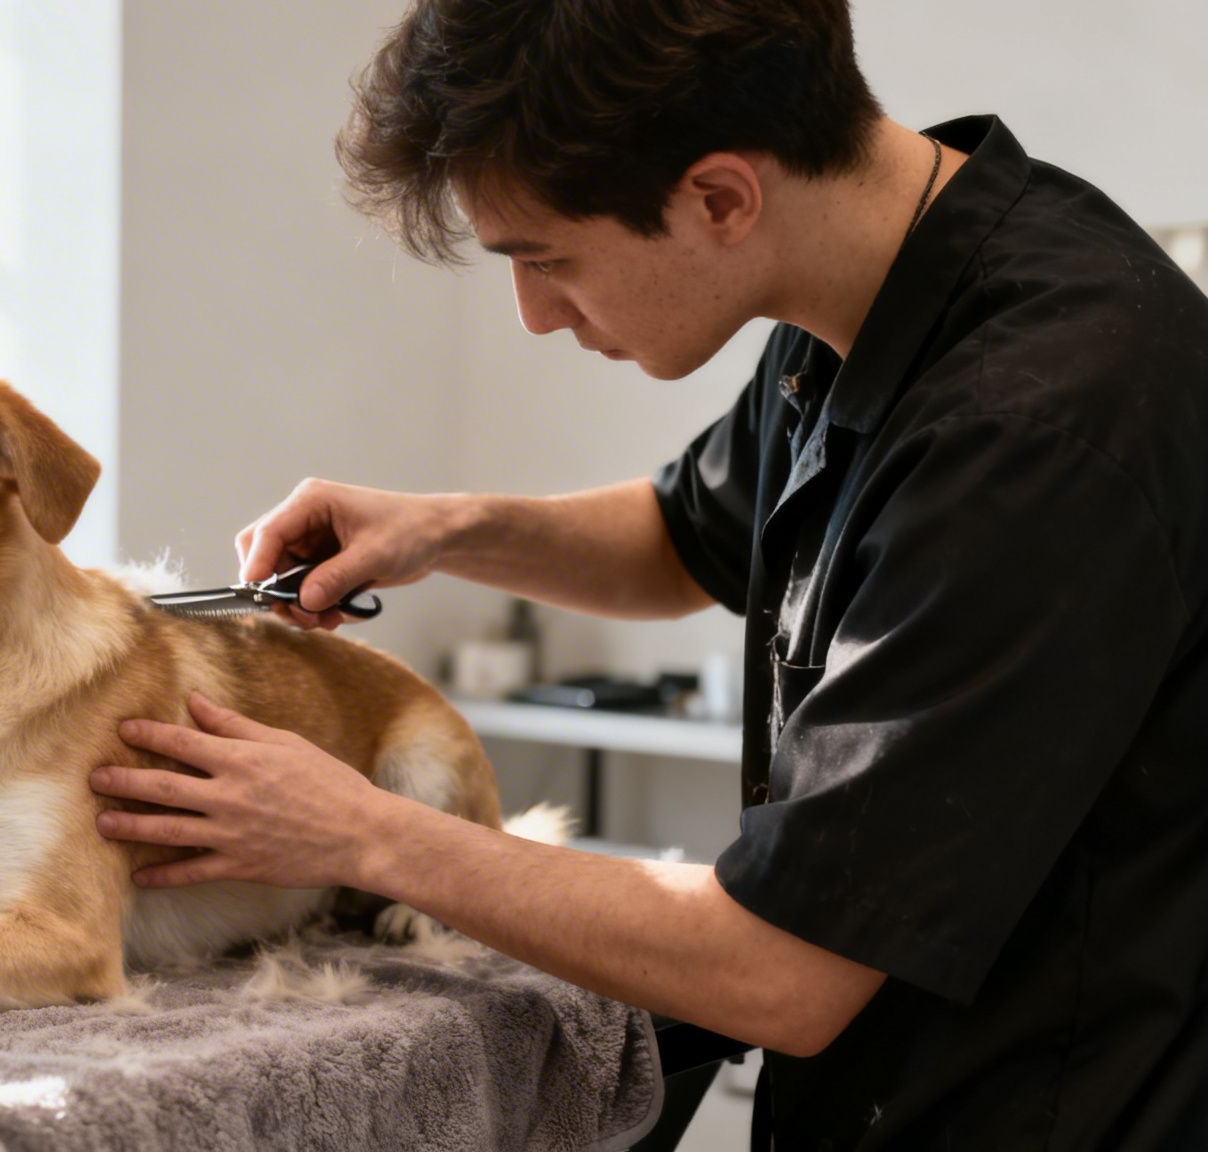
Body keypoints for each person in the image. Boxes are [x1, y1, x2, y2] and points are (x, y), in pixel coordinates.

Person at [85, 0, 1208, 1148]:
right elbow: (679, 538)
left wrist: (362, 834)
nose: (529, 316)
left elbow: (782, 973)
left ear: (718, 198)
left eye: (545, 257)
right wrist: (444, 526)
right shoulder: (861, 288)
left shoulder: (1038, 424)